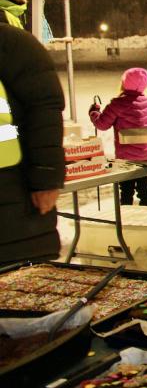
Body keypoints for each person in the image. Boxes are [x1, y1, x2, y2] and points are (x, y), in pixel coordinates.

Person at [0, 23, 65, 264]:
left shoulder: (11, 44)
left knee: (19, 289)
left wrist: (46, 178)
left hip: (13, 200)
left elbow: (44, 109)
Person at [89, 67, 147, 206]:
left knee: (126, 191)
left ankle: (126, 218)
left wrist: (94, 112)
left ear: (124, 83)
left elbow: (102, 124)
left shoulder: (118, 103)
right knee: (145, 190)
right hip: (146, 156)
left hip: (126, 159)